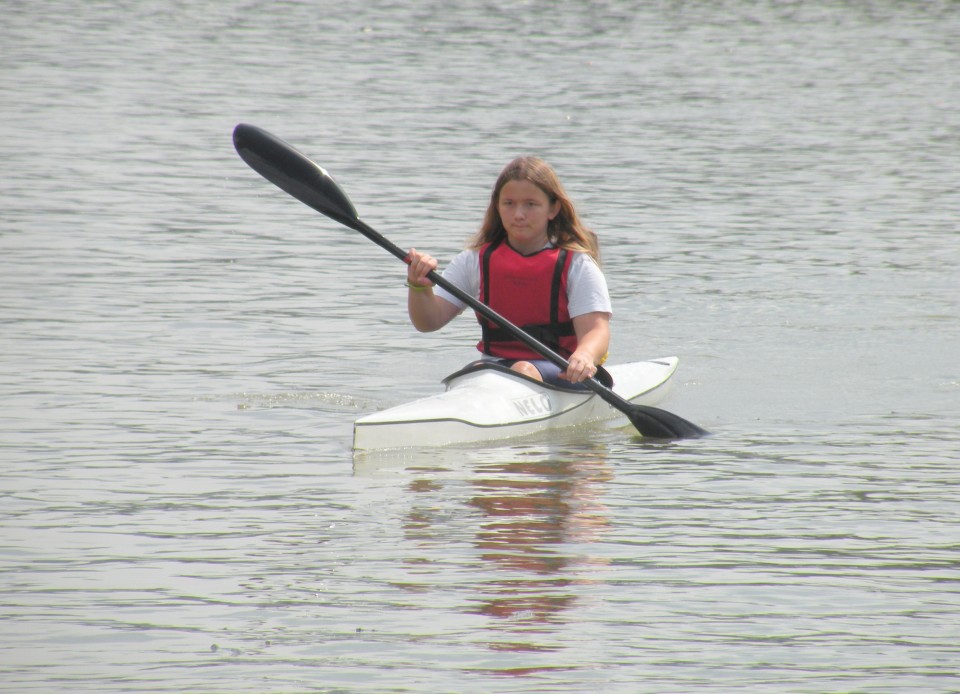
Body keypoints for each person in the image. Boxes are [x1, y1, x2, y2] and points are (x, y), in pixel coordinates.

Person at [405, 156, 612, 388]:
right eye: (509, 203)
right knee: (467, 375)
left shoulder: (577, 265)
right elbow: (428, 322)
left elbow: (596, 331)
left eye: (530, 204)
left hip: (563, 370)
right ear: (497, 206)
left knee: (522, 369)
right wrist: (419, 286)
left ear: (553, 208)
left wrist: (584, 355)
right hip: (497, 366)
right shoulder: (474, 260)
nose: (518, 214)